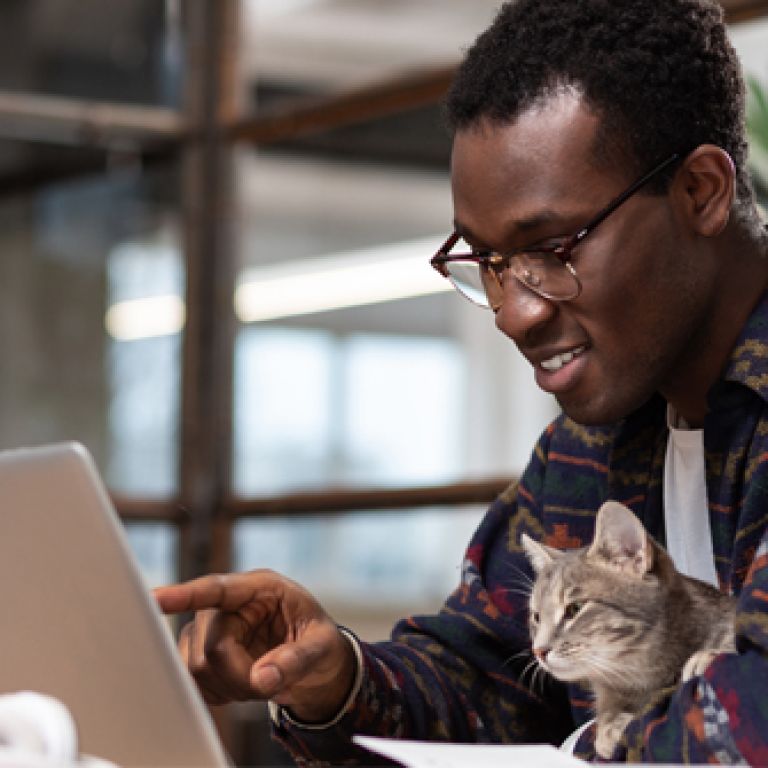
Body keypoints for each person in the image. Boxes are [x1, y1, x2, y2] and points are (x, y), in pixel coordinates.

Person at [154, 0, 768, 763]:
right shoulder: (580, 453)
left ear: (700, 192)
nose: (514, 314)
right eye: (489, 264)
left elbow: (748, 729)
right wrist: (338, 678)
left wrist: (581, 748)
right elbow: (487, 681)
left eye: (550, 248)